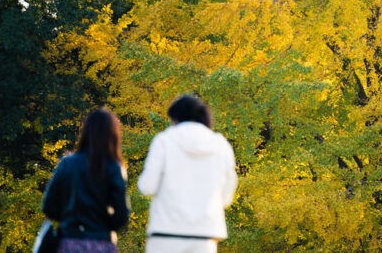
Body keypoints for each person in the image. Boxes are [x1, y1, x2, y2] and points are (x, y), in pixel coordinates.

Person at [138, 94, 238, 253]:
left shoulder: (164, 140)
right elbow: (227, 195)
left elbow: (147, 186)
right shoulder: (220, 144)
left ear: (175, 118)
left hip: (166, 232)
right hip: (204, 235)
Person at [42, 107, 130, 252]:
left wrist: (68, 219)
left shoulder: (66, 164)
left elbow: (49, 207)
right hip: (101, 243)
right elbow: (121, 215)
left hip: (69, 241)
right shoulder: (114, 167)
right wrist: (103, 225)